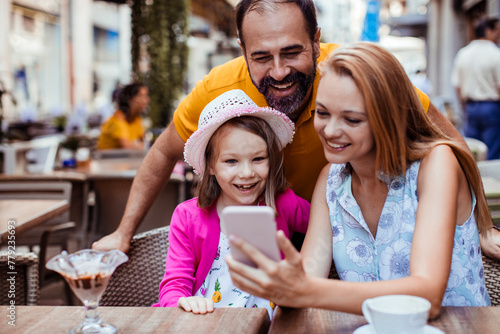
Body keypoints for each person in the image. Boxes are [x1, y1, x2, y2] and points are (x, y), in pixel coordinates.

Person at [92, 0, 500, 259]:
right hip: (279, 242)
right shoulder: (219, 89)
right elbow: (163, 153)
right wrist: (123, 232)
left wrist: (482, 226)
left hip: (358, 233)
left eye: (292, 52)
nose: (280, 71)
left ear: (317, 42)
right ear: (243, 52)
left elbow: (444, 138)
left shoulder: (349, 75)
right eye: (262, 57)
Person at [226, 42, 491, 318]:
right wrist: (275, 281)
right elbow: (304, 280)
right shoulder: (330, 180)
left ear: (389, 119)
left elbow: (428, 296)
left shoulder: (436, 164)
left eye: (351, 120)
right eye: (323, 113)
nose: (329, 130)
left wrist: (306, 290)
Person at [153, 89, 310, 318]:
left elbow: (328, 224)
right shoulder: (188, 217)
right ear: (211, 166)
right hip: (207, 323)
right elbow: (174, 285)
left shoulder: (284, 202)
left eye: (258, 159)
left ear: (271, 159)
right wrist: (183, 302)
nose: (246, 173)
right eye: (231, 161)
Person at [451, 17, 500, 160]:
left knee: (472, 151)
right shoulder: (496, 54)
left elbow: (457, 86)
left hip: (471, 106)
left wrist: (464, 106)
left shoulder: (463, 53)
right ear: (488, 31)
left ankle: (474, 181)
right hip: (491, 107)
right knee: (492, 153)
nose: (498, 34)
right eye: (496, 30)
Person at [96, 83, 149, 150]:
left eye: (146, 96)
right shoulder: (118, 119)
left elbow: (144, 141)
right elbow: (127, 147)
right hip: (106, 159)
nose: (146, 100)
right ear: (130, 100)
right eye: (141, 96)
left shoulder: (136, 120)